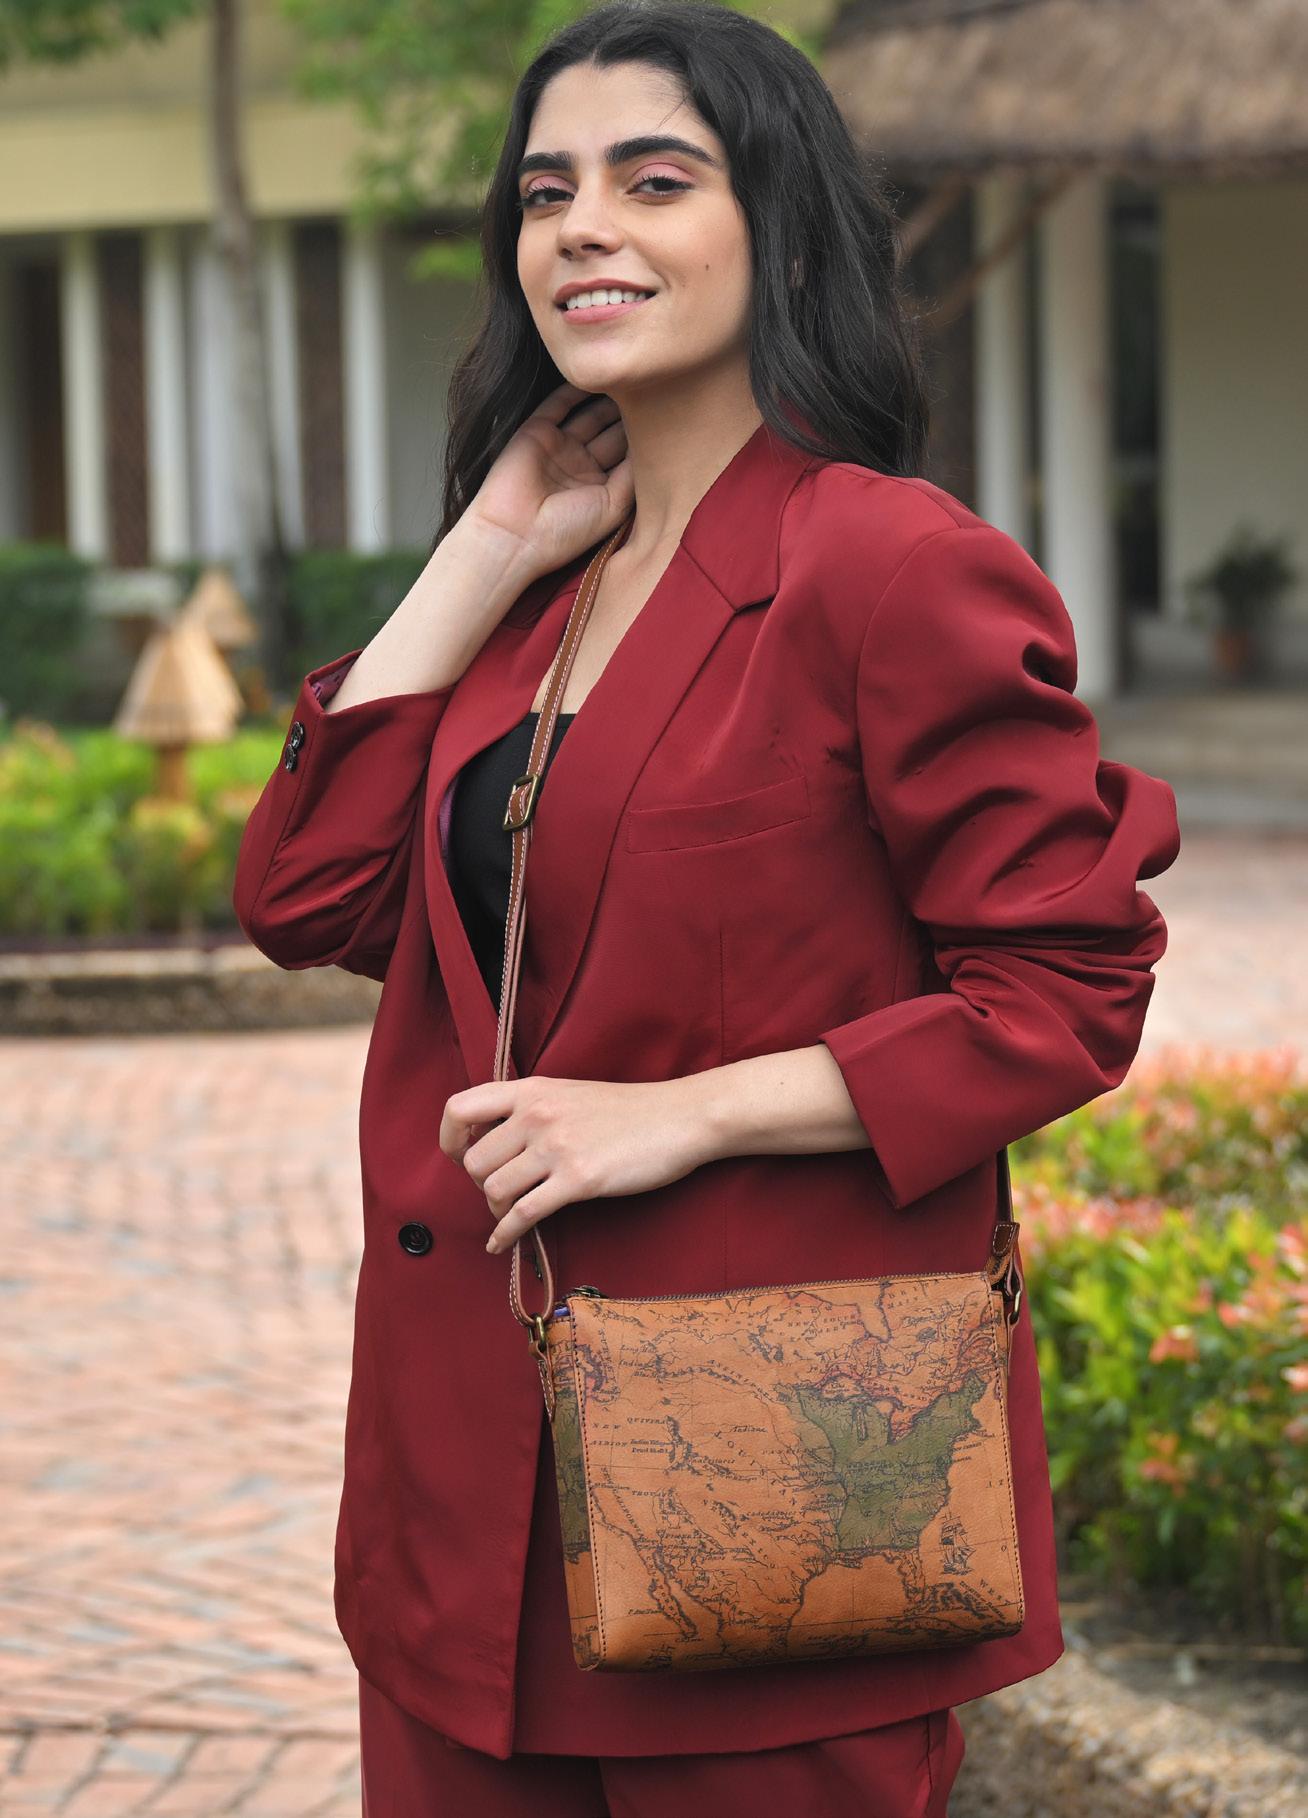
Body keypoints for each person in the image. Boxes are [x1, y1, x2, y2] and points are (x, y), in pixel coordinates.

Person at [233, 3, 1182, 1811]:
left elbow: (1068, 986)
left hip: (765, 1484)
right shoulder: (541, 596)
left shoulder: (888, 564)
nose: (583, 226)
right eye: (546, 193)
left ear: (784, 231)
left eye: (654, 181)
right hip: (464, 1516)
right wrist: (486, 547)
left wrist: (683, 1114)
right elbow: (307, 893)